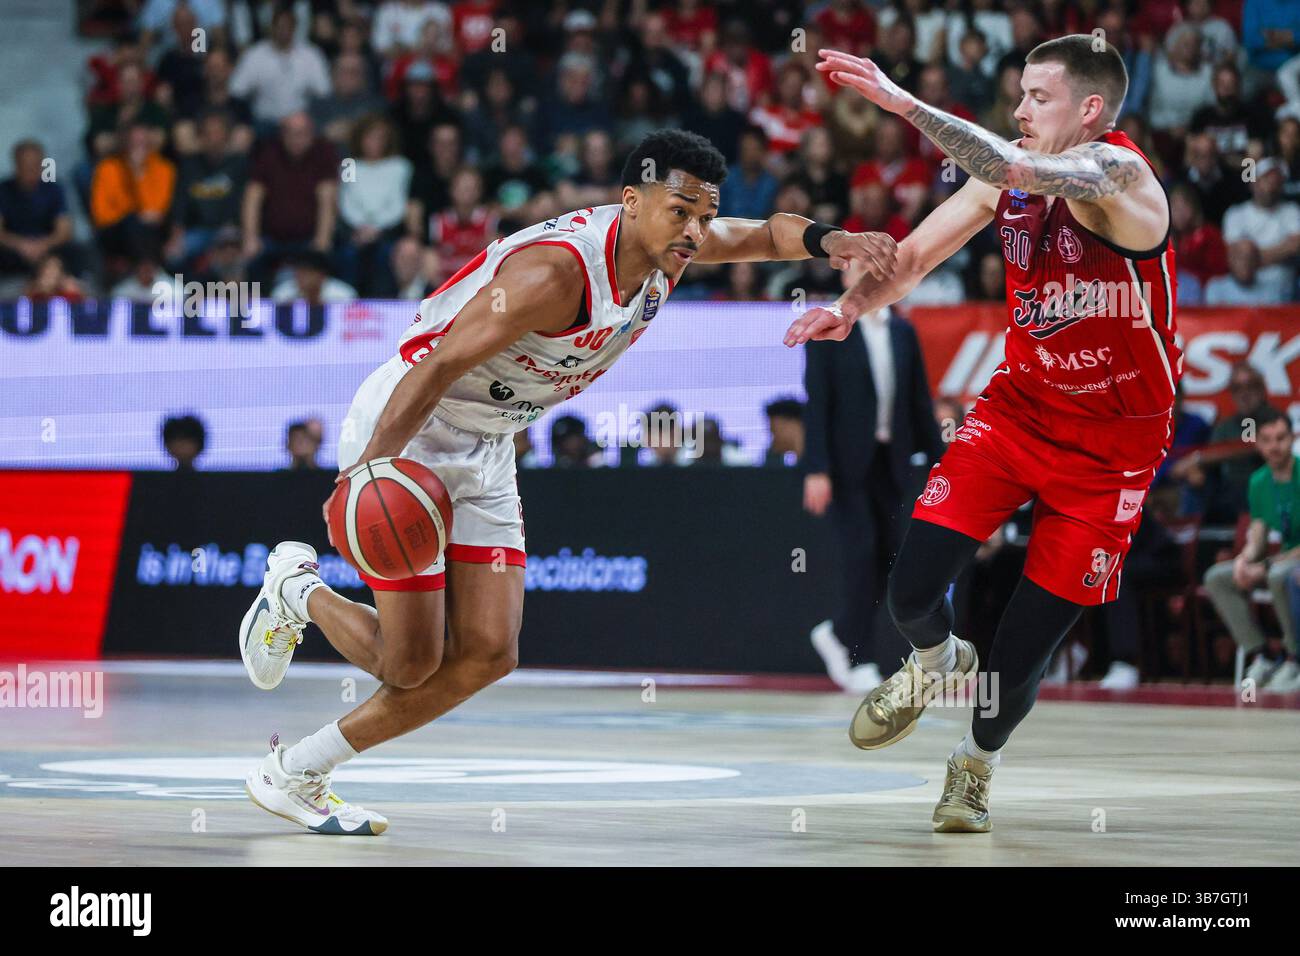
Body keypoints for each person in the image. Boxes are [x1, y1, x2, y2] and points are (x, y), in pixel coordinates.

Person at [236, 129, 898, 835]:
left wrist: (832, 240)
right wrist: (370, 470)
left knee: (489, 653)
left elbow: (766, 233)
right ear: (631, 201)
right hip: (417, 428)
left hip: (489, 442)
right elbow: (432, 368)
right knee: (408, 662)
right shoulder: (554, 276)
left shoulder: (674, 248)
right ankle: (296, 592)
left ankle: (297, 768)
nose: (698, 230)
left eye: (705, 214)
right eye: (682, 211)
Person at [787, 38, 1181, 832]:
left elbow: (1019, 170)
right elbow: (915, 257)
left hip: (1112, 451)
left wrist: (905, 105)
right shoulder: (1004, 177)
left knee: (1022, 651)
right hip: (1017, 412)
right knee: (908, 593)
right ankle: (937, 660)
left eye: (1038, 97)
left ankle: (974, 764)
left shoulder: (1122, 177)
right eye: (1020, 96)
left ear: (1090, 110)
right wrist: (851, 308)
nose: (1021, 110)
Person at [1203, 409, 1300, 693]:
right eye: (1267, 440)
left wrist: (1265, 565)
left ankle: (1294, 658)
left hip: (1290, 563)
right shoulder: (1259, 481)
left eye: (1281, 438)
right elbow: (1258, 530)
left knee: (1278, 575)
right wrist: (1244, 559)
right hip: (1282, 560)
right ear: (1257, 443)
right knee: (1217, 577)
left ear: (1292, 438)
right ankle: (1263, 655)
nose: (1274, 446)